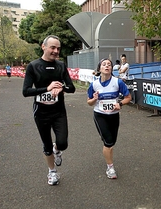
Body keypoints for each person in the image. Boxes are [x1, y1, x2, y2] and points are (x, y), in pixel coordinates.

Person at [22, 35, 76, 186]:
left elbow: (72, 88)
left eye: (58, 48)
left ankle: (57, 150)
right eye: (52, 47)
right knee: (46, 145)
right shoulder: (33, 66)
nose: (56, 51)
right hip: (41, 112)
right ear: (43, 46)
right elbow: (26, 91)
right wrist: (47, 88)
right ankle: (52, 172)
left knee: (63, 142)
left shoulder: (60, 65)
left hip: (58, 111)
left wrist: (61, 88)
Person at [87, 58, 131, 179]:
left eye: (109, 65)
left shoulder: (118, 82)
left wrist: (120, 104)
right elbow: (89, 102)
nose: (107, 66)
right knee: (108, 143)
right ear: (99, 68)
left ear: (112, 68)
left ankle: (108, 151)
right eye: (104, 64)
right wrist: (94, 99)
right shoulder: (94, 84)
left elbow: (128, 97)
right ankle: (110, 167)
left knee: (112, 141)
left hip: (113, 116)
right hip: (100, 115)